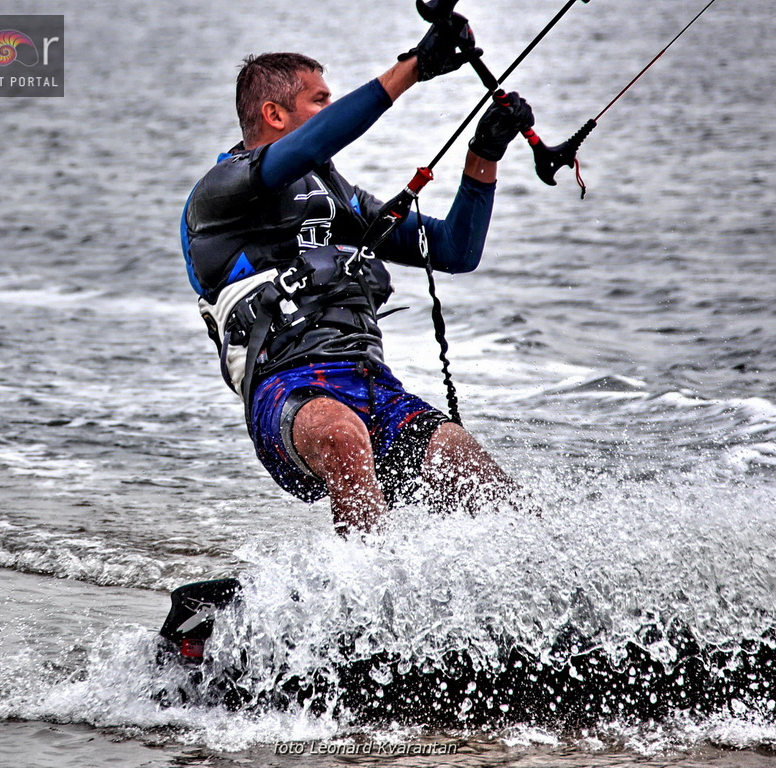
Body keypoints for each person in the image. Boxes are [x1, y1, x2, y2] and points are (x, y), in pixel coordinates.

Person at [181, 16, 534, 534]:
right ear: (274, 114)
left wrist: (484, 155)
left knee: (461, 457)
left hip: (369, 383)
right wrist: (411, 70)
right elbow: (305, 148)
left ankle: (549, 586)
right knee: (342, 436)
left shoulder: (339, 200)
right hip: (286, 392)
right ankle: (365, 598)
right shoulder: (220, 192)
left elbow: (455, 249)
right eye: (320, 101)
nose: (332, 110)